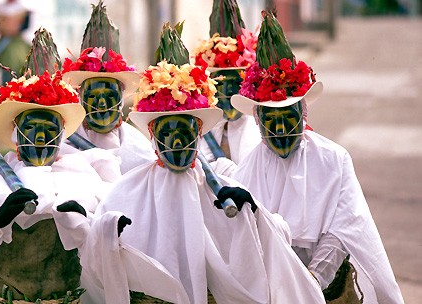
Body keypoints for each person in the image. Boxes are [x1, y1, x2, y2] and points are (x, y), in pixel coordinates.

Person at [79, 23, 325, 304]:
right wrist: (109, 230)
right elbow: (93, 252)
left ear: (198, 133)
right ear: (153, 137)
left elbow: (274, 243)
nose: (176, 143)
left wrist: (254, 214)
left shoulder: (222, 191)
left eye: (184, 132)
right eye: (167, 134)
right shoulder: (126, 190)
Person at [231, 10, 404, 304]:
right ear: (258, 120)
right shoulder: (247, 168)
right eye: (272, 119)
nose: (282, 129)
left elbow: (344, 229)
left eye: (289, 116)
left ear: (303, 113)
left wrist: (311, 281)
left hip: (325, 288)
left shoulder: (334, 159)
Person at [0, 68, 126, 303]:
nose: (41, 138)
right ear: (17, 135)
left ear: (62, 136)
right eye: (32, 129)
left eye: (50, 130)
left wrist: (96, 223)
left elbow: (98, 253)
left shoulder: (83, 177)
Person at [61, 0, 156, 174]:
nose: (102, 104)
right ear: (80, 97)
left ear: (121, 98)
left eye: (109, 95)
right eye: (93, 96)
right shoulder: (61, 150)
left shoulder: (143, 153)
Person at [193, 0, 262, 177]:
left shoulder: (263, 130)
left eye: (236, 84)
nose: (229, 93)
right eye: (222, 85)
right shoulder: (198, 130)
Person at [0, 0, 31, 84]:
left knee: (20, 66)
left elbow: (26, 25)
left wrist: (14, 29)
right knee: (5, 71)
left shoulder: (22, 9)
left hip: (17, 43)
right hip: (4, 41)